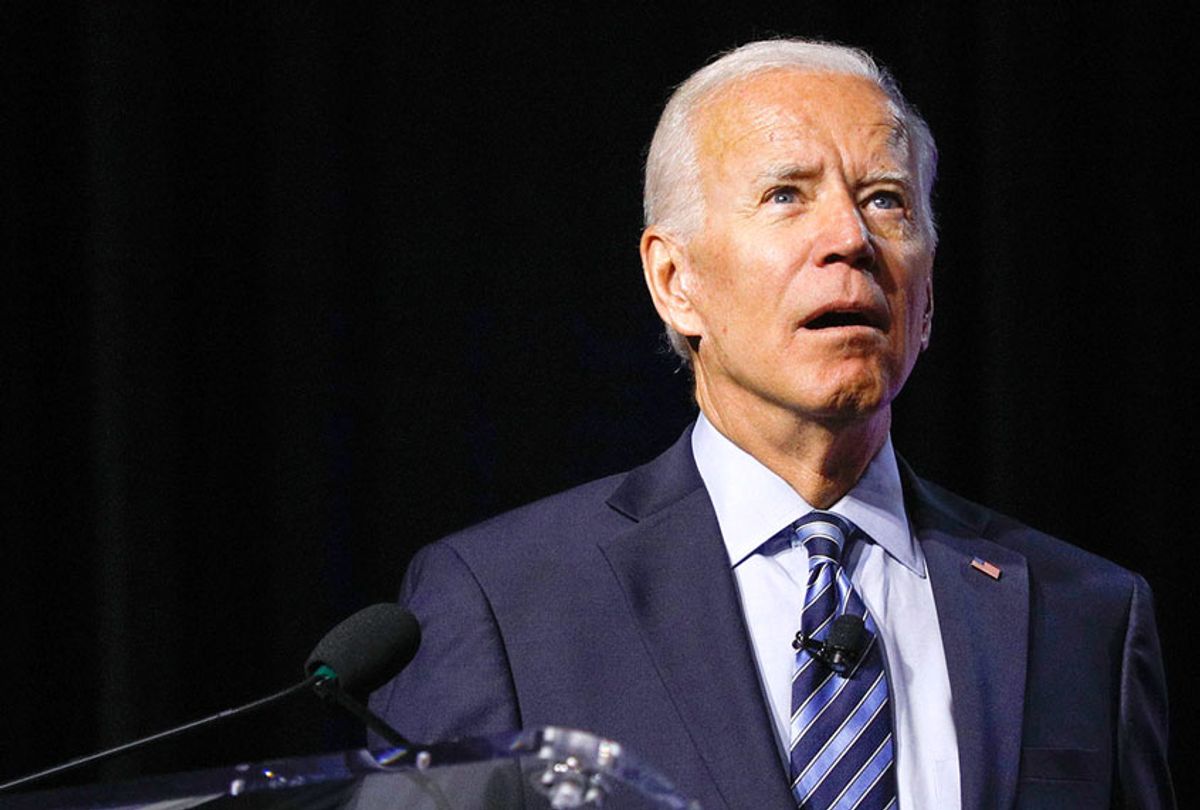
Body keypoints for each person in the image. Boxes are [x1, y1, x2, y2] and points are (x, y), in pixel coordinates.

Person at [370, 39, 1174, 809]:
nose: (851, 241)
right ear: (675, 280)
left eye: (884, 201)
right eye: (786, 195)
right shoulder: (507, 605)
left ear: (926, 298)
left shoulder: (1086, 614)